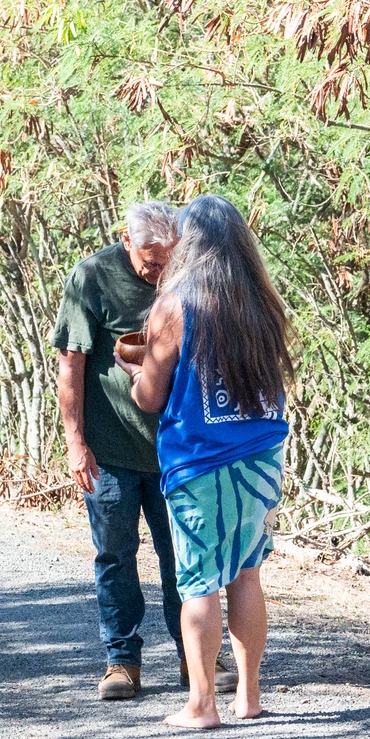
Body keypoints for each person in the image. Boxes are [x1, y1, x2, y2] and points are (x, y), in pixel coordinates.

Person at [115, 194, 293, 729]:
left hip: (200, 463)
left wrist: (137, 373)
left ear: (189, 242)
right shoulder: (264, 301)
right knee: (246, 574)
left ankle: (201, 704)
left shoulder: (176, 303)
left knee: (197, 582)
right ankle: (250, 697)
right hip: (263, 456)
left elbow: (150, 397)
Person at [52, 201, 238, 700]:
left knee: (184, 555)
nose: (159, 271)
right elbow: (70, 363)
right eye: (150, 260)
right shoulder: (93, 277)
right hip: (111, 448)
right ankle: (121, 660)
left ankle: (195, 657)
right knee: (115, 554)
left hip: (179, 448)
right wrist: (76, 443)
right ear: (125, 239)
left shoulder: (193, 275)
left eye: (167, 259)